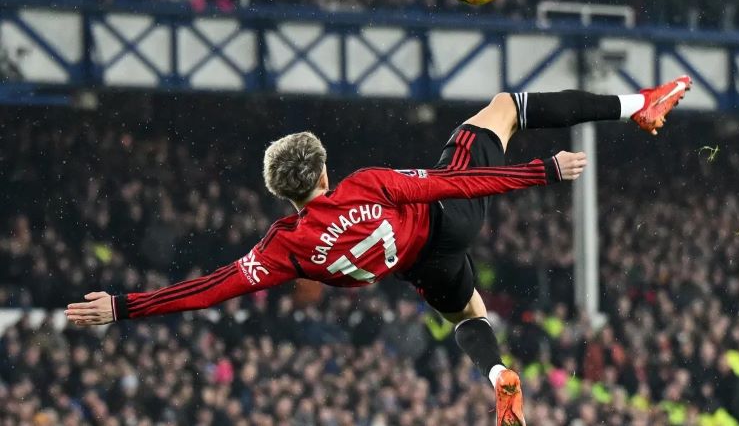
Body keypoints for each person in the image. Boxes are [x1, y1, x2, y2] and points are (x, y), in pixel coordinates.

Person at [66, 75, 692, 426]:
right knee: (504, 107)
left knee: (469, 315)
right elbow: (454, 182)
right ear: (323, 172)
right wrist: (540, 173)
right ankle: (639, 105)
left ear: (281, 193)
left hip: (417, 266)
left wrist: (121, 308)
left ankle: (497, 375)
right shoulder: (365, 185)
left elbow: (210, 288)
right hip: (447, 220)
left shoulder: (285, 247)